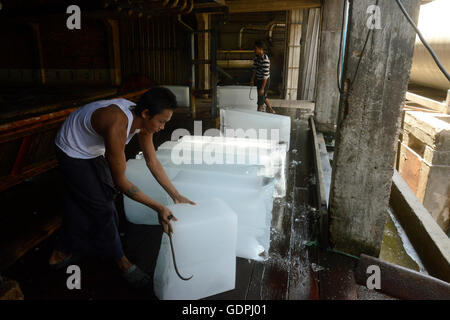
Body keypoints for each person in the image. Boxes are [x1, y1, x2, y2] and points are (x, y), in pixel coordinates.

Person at [49, 87, 195, 288]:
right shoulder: (117, 123)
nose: (162, 127)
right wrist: (158, 208)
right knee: (103, 207)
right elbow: (122, 182)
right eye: (161, 122)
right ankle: (122, 262)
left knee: (91, 198)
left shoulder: (143, 123)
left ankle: (61, 250)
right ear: (145, 113)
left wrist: (176, 195)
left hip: (93, 148)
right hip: (72, 149)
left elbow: (152, 162)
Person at [250, 40, 276, 114]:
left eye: (255, 48)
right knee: (263, 96)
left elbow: (265, 76)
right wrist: (252, 80)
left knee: (260, 99)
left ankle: (259, 114)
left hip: (265, 81)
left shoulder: (265, 60)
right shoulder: (256, 57)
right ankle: (271, 110)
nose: (254, 50)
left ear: (260, 48)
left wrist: (262, 88)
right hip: (258, 79)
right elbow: (254, 69)